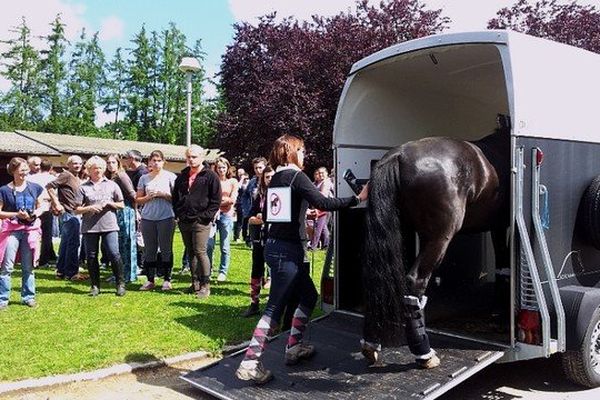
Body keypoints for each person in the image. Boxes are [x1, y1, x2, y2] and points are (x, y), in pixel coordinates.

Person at [236, 134, 368, 383]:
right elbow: (324, 202)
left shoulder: (275, 177)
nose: (305, 154)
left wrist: (302, 213)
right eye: (302, 150)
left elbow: (273, 212)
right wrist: (358, 198)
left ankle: (293, 346)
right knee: (274, 307)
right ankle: (250, 363)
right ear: (290, 152)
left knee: (308, 296)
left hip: (274, 247)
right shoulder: (297, 176)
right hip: (289, 251)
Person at [172, 145, 221, 299]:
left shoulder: (210, 176)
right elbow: (175, 198)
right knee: (190, 252)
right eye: (189, 157)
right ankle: (195, 283)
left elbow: (216, 200)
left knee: (200, 251)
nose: (191, 160)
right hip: (185, 220)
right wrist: (179, 213)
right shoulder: (182, 176)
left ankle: (206, 285)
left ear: (201, 157)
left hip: (201, 221)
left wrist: (205, 217)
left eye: (194, 157)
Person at [74, 156, 126, 297]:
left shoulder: (112, 185)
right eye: (94, 168)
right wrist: (90, 208)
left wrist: (110, 204)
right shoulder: (83, 187)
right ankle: (95, 285)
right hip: (90, 226)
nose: (97, 171)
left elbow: (121, 204)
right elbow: (76, 209)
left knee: (113, 253)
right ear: (89, 170)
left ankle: (120, 284)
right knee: (91, 256)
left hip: (109, 225)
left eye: (100, 168)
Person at [0, 157, 47, 310]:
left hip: (30, 230)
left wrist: (34, 214)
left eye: (26, 170)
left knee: (28, 266)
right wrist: (16, 214)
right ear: (13, 171)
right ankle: (3, 299)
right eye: (21, 170)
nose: (24, 173)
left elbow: (42, 206)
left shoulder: (35, 187)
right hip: (11, 231)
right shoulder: (4, 190)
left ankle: (28, 297)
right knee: (7, 266)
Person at [136, 150, 177, 291]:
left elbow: (177, 199)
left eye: (159, 160)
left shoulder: (171, 177)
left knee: (166, 248)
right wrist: (147, 197)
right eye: (153, 160)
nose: (156, 163)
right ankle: (150, 279)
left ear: (164, 162)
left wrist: (164, 195)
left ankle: (167, 279)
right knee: (149, 249)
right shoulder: (144, 178)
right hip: (148, 217)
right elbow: (137, 199)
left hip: (166, 216)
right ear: (149, 162)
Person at [241, 166, 274, 317]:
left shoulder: (282, 194)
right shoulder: (259, 195)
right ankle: (254, 303)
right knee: (256, 268)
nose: (270, 180)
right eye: (267, 177)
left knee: (274, 269)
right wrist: (256, 219)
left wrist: (263, 218)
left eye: (272, 176)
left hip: (275, 238)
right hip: (259, 237)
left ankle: (274, 304)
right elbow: (250, 216)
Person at [46, 155, 86, 281]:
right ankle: (72, 273)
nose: (77, 165)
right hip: (68, 213)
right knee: (73, 242)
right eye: (74, 163)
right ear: (68, 165)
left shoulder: (76, 177)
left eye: (79, 163)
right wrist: (56, 203)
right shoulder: (66, 175)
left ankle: (61, 271)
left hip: (73, 213)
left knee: (65, 243)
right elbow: (49, 186)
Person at [105, 154, 138, 283]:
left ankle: (128, 274)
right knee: (118, 244)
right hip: (115, 212)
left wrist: (135, 212)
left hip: (125, 211)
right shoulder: (110, 177)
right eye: (108, 162)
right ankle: (120, 273)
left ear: (118, 163)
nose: (110, 165)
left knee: (127, 243)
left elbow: (132, 194)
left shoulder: (121, 176)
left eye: (113, 162)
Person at [207, 157, 238, 282]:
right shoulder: (212, 181)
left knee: (224, 246)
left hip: (226, 215)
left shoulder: (232, 181)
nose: (221, 170)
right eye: (219, 167)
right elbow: (208, 199)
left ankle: (223, 271)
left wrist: (218, 202)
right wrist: (221, 202)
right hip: (212, 215)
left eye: (223, 167)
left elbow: (232, 199)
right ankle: (208, 270)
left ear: (227, 168)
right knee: (209, 245)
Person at [27, 159, 57, 267]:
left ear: (40, 167)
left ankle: (30, 257)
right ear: (51, 168)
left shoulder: (30, 178)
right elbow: (55, 194)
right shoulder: (53, 179)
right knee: (46, 235)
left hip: (33, 206)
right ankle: (44, 260)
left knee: (32, 232)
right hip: (47, 205)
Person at [241, 157, 267, 247]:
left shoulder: (270, 180)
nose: (258, 170)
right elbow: (245, 196)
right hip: (254, 214)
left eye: (260, 167)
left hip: (266, 214)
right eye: (256, 168)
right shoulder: (252, 182)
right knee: (256, 244)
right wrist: (246, 209)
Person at [309, 167, 334, 250]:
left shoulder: (326, 182)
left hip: (324, 207)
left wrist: (314, 194)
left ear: (326, 173)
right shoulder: (317, 183)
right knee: (323, 227)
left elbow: (323, 195)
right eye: (319, 173)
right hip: (319, 206)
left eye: (322, 173)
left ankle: (314, 246)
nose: (320, 174)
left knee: (319, 227)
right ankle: (326, 245)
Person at [233, 172, 249, 242]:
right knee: (240, 221)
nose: (246, 180)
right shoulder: (240, 184)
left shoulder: (249, 184)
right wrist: (241, 180)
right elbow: (237, 187)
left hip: (248, 205)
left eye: (247, 178)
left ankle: (245, 237)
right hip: (240, 204)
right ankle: (237, 236)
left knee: (246, 221)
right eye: (244, 178)